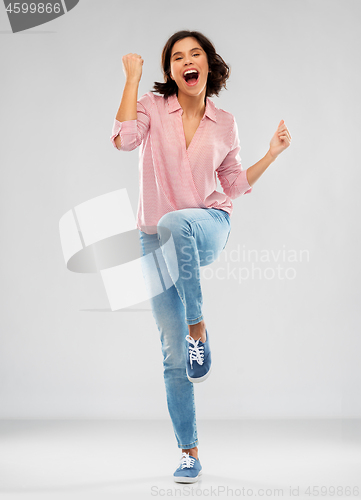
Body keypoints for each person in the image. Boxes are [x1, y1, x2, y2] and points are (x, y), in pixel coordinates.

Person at [110, 30, 291, 483]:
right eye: (177, 57)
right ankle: (189, 452)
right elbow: (124, 140)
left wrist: (271, 154)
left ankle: (199, 326)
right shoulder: (153, 108)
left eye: (195, 54)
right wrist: (131, 80)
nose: (187, 61)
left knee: (178, 222)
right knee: (174, 358)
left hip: (208, 226)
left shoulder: (225, 122)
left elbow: (231, 185)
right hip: (155, 240)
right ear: (170, 71)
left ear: (208, 65)